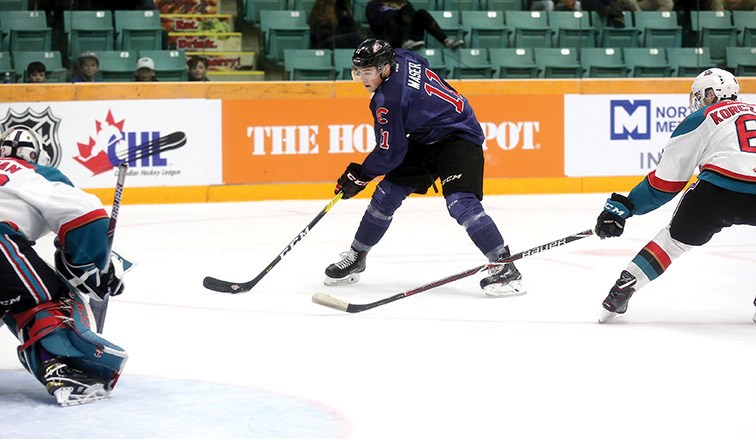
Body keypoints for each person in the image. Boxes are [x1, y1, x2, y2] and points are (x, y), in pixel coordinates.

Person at [323, 39, 523, 298]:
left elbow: (390, 153)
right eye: (358, 72)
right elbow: (422, 69)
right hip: (426, 137)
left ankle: (505, 266)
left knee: (461, 203)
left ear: (385, 68)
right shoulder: (404, 57)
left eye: (367, 72)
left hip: (459, 137)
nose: (362, 78)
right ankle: (357, 255)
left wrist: (360, 175)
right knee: (386, 194)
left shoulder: (387, 99)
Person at [594, 68, 756, 323]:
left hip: (718, 193)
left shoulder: (703, 117)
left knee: (673, 242)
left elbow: (666, 183)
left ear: (712, 93)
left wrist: (625, 207)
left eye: (701, 95)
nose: (699, 101)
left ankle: (626, 284)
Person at [0, 125, 129, 405]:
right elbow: (85, 213)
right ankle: (61, 368)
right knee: (49, 299)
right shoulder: (34, 173)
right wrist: (97, 265)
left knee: (11, 293)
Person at [365, 0, 463, 50]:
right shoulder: (373, 4)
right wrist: (392, 13)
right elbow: (374, 25)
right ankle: (405, 42)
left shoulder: (402, 2)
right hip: (389, 38)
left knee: (421, 13)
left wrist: (401, 11)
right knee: (392, 18)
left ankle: (446, 41)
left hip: (410, 34)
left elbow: (412, 16)